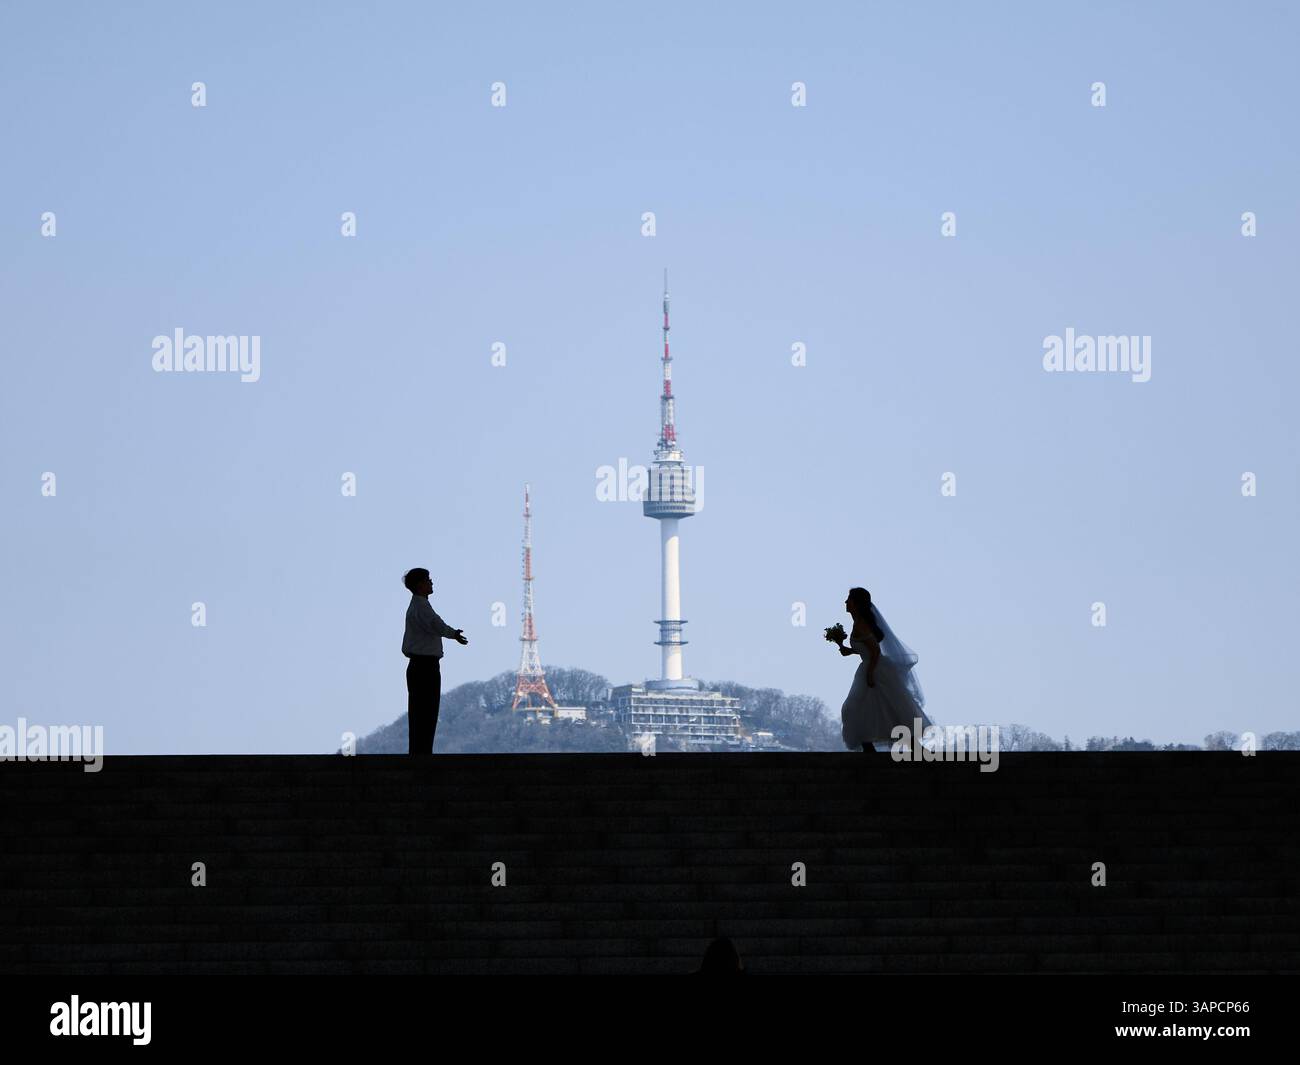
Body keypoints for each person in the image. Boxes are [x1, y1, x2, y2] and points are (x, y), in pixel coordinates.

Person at [832, 587, 932, 754]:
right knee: (883, 708)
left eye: (849, 599)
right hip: (872, 667)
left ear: (856, 603)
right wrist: (850, 650)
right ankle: (870, 748)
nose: (846, 603)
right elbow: (866, 648)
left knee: (857, 708)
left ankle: (873, 748)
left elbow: (875, 651)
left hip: (874, 669)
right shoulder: (859, 622)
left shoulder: (861, 624)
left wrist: (870, 673)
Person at [401, 568, 468, 755]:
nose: (431, 583)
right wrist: (453, 634)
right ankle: (422, 753)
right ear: (420, 585)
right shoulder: (421, 607)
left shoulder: (417, 606)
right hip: (425, 666)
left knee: (419, 712)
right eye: (428, 580)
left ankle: (419, 752)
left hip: (419, 665)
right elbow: (436, 625)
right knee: (427, 711)